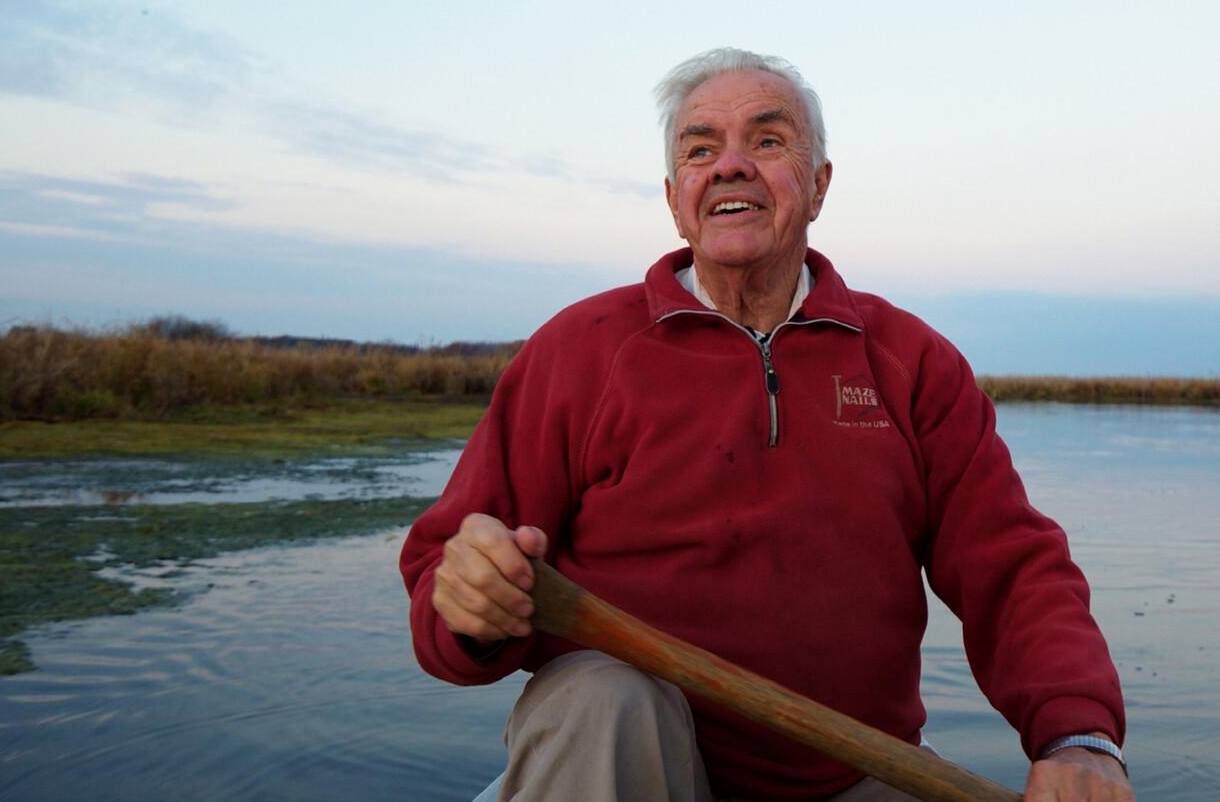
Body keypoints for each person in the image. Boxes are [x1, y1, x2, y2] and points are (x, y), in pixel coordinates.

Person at [401, 49, 1134, 802]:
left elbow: (1012, 567)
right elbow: (442, 572)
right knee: (604, 699)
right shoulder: (580, 349)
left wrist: (1079, 737)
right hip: (623, 770)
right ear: (674, 197)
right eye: (699, 149)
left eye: (768, 140)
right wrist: (470, 608)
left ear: (818, 186)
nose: (729, 166)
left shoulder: (911, 362)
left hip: (853, 772)